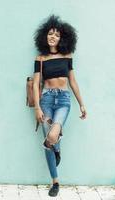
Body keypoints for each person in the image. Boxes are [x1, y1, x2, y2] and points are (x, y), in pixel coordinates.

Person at [33, 14, 87, 197]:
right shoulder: (40, 59)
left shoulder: (67, 56)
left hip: (63, 100)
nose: (52, 37)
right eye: (50, 34)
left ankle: (56, 146)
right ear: (44, 36)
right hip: (46, 100)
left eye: (56, 34)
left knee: (52, 136)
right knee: (48, 142)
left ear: (62, 38)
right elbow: (35, 84)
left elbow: (73, 81)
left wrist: (81, 104)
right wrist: (37, 108)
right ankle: (55, 182)